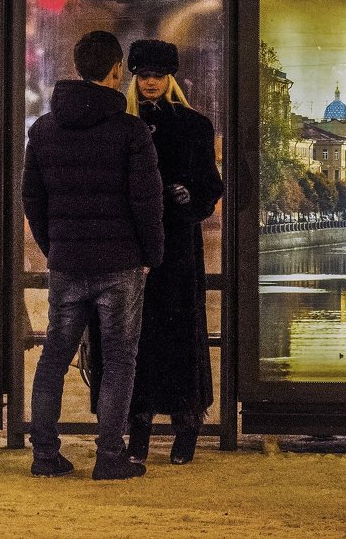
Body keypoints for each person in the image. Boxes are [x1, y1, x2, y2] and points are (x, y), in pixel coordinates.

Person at [23, 31, 163, 480]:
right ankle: (109, 456)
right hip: (121, 264)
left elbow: (33, 201)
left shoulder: (43, 129)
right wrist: (151, 254)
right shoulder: (131, 131)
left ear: (78, 68)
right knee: (121, 360)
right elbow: (147, 201)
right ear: (116, 71)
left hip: (67, 264)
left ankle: (45, 455)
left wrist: (54, 248)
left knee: (53, 358)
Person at [123, 40, 223, 465]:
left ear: (170, 78)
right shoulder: (122, 124)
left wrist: (190, 197)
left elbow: (210, 186)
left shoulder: (192, 126)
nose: (150, 82)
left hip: (177, 248)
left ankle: (186, 427)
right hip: (137, 248)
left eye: (157, 74)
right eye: (143, 74)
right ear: (134, 76)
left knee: (177, 334)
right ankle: (141, 427)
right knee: (137, 339)